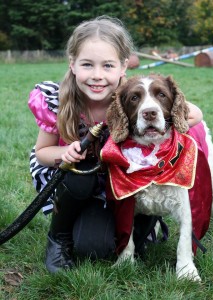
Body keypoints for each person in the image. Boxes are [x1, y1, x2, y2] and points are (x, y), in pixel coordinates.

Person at [28, 15, 203, 273]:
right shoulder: (58, 100)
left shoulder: (129, 95)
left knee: (97, 248)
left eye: (107, 66)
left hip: (120, 186)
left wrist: (195, 114)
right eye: (87, 64)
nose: (97, 76)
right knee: (80, 173)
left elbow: (179, 107)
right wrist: (65, 152)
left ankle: (145, 221)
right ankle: (59, 238)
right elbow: (42, 152)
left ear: (123, 67)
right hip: (78, 184)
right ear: (72, 64)